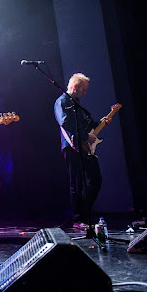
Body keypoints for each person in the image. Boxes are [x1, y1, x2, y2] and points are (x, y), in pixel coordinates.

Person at [54, 73, 111, 230]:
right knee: (77, 183)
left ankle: (84, 213)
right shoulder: (62, 102)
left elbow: (86, 124)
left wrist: (100, 123)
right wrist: (86, 136)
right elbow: (65, 122)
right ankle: (78, 218)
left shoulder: (77, 104)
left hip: (84, 146)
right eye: (83, 90)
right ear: (74, 87)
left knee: (95, 180)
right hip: (71, 145)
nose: (85, 93)